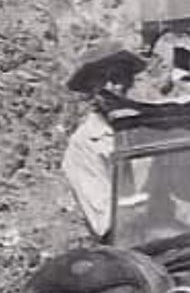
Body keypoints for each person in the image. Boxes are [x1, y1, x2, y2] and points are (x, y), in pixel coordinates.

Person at [62, 41, 147, 238]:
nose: (111, 86)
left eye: (118, 77)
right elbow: (108, 222)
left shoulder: (148, 126)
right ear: (90, 88)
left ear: (129, 81)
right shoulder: (83, 146)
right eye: (101, 79)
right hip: (132, 247)